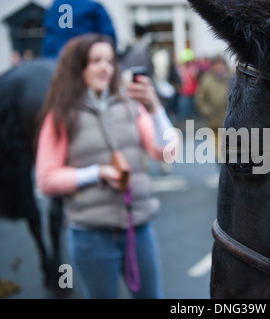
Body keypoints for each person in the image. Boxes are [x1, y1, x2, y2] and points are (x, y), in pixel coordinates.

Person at [35, 33, 177, 299]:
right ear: (78, 67)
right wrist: (96, 173)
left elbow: (166, 152)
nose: (106, 68)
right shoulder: (60, 114)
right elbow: (46, 178)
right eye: (95, 61)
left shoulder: (130, 105)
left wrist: (155, 106)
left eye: (110, 61)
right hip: (91, 237)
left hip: (139, 229)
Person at [42, 0, 117, 59]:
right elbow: (108, 36)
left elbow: (49, 38)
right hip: (85, 58)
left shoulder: (53, 7)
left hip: (58, 59)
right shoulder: (92, 6)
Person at [195, 56, 231, 159]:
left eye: (221, 64)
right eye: (217, 64)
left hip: (228, 120)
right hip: (213, 121)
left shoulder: (230, 78)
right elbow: (200, 98)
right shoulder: (206, 79)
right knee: (217, 151)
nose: (219, 67)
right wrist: (207, 111)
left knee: (228, 149)